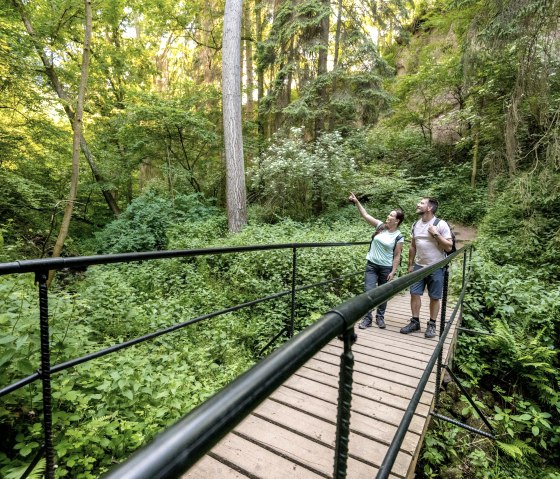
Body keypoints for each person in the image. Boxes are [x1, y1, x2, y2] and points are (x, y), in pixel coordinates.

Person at [348, 192, 405, 329]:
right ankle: (367, 318)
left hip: (385, 268)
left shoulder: (399, 236)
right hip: (372, 266)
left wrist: (393, 271)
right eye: (389, 214)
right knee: (369, 292)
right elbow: (366, 215)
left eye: (391, 215)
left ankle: (380, 317)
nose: (388, 216)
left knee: (383, 294)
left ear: (397, 220)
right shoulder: (380, 226)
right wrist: (357, 202)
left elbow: (397, 255)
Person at [401, 197, 453, 339]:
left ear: (429, 208)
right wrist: (410, 264)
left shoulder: (440, 224)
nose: (418, 204)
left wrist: (435, 233)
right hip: (419, 265)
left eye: (422, 203)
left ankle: (432, 324)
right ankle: (415, 321)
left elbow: (449, 246)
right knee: (414, 293)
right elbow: (413, 245)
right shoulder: (415, 224)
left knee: (434, 297)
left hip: (436, 266)